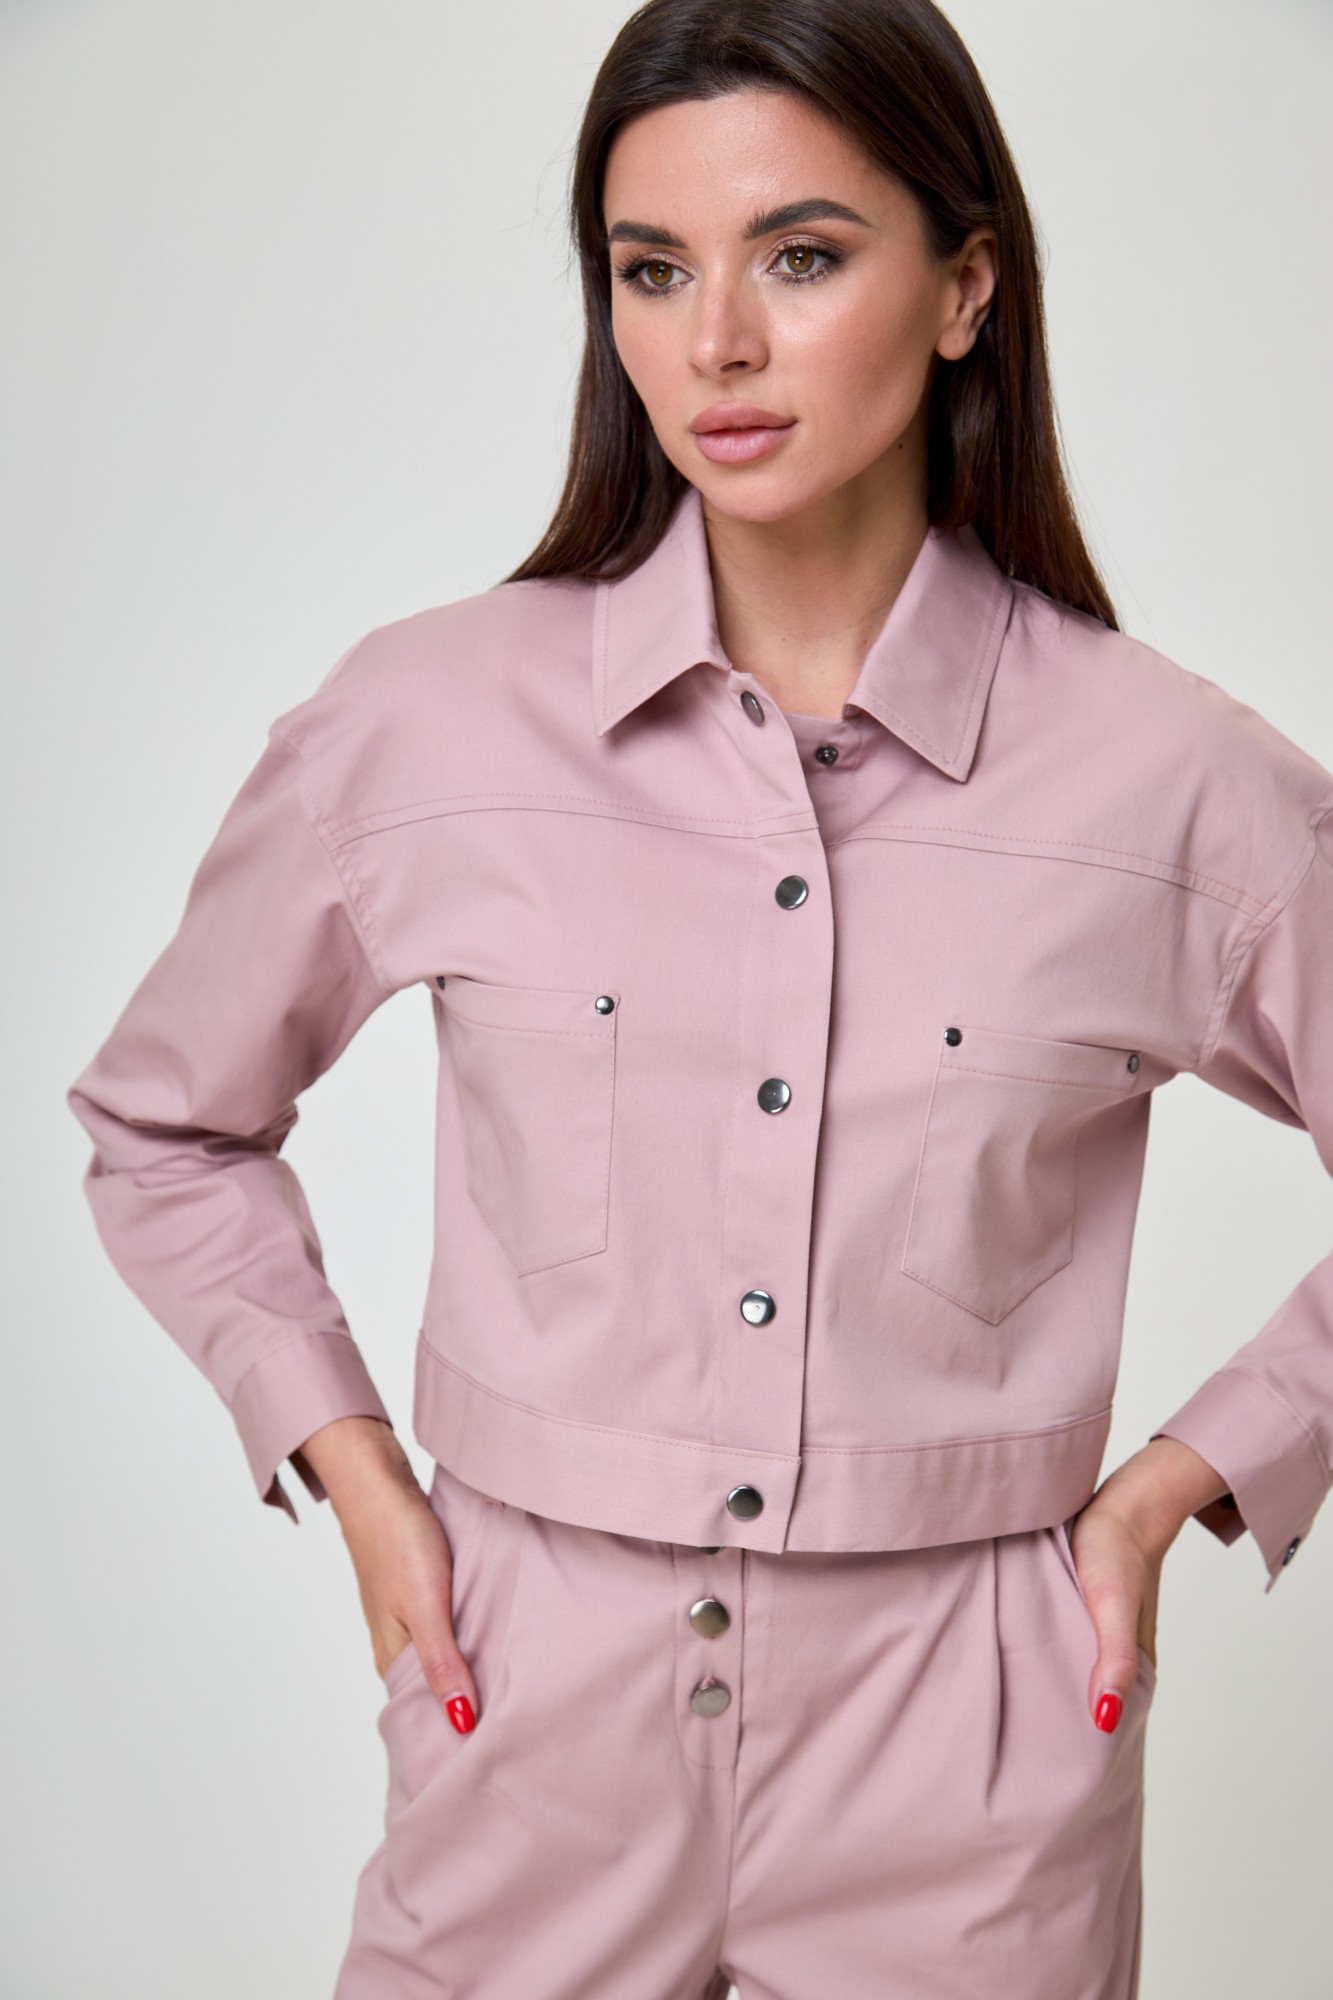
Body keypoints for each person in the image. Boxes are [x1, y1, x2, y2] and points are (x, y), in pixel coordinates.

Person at [66, 1, 1333, 1995]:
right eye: (650, 270)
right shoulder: (424, 722)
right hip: (524, 1712)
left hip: (967, 1751)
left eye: (799, 256)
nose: (714, 343)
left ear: (964, 288)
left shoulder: (1167, 785)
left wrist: (1184, 1485)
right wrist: (355, 1470)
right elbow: (163, 1123)